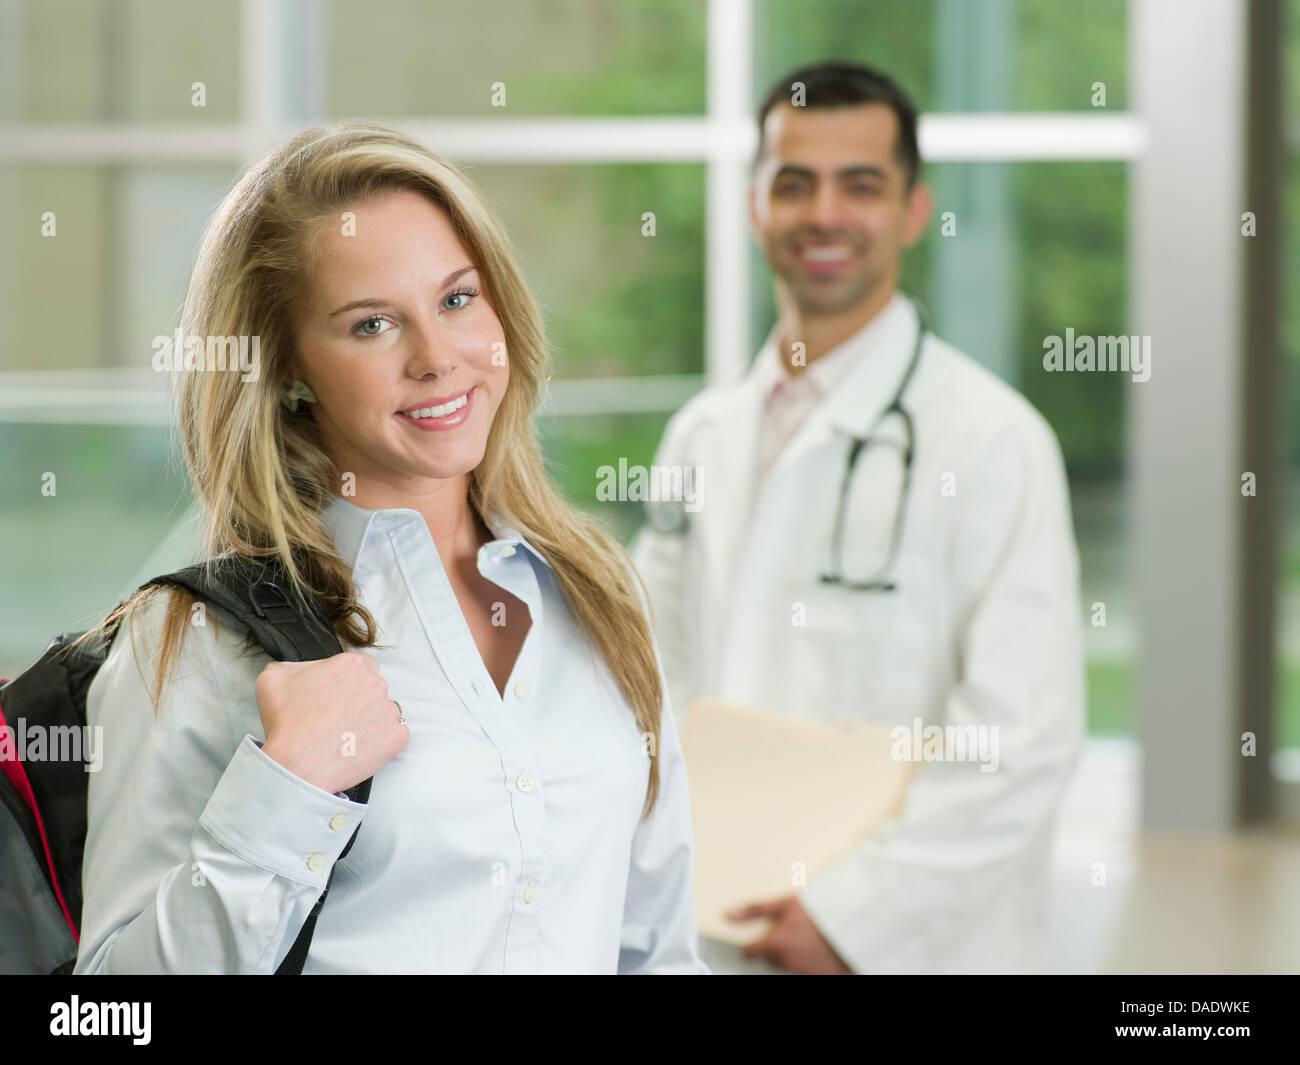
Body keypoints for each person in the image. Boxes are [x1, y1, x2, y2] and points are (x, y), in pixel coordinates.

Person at [72, 122, 709, 975]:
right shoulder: (193, 639)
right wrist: (286, 789)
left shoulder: (598, 589)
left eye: (456, 300)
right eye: (372, 325)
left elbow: (655, 952)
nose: (438, 358)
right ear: (287, 369)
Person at [632, 60, 1084, 975]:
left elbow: (1020, 737)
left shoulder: (995, 441)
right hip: (713, 918)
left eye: (861, 185)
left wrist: (849, 919)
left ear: (913, 212)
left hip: (906, 943)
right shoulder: (700, 435)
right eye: (793, 183)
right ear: (756, 203)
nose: (824, 215)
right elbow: (650, 674)